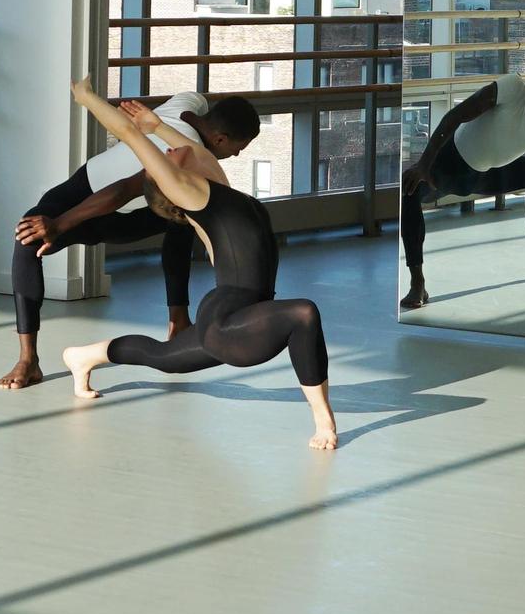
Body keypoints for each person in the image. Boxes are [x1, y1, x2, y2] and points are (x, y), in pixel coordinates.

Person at [58, 79, 338, 452]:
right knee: (303, 313)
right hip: (228, 320)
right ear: (171, 185)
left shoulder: (216, 181)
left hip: (236, 316)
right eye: (166, 158)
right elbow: (129, 134)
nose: (170, 152)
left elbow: (185, 147)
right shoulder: (190, 195)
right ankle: (324, 421)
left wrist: (155, 124)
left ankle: (83, 356)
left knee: (163, 358)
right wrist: (87, 98)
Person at [2, 89, 264, 390]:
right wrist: (58, 224)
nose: (237, 155)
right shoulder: (184, 154)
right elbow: (123, 190)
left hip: (130, 209)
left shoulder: (191, 102)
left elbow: (190, 105)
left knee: (183, 215)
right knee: (28, 238)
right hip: (101, 204)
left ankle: (178, 321)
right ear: (219, 139)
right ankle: (28, 360)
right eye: (238, 148)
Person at [397, 72, 525, 310]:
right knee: (408, 192)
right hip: (451, 165)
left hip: (488, 175)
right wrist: (424, 164)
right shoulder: (514, 89)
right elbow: (455, 115)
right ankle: (418, 282)